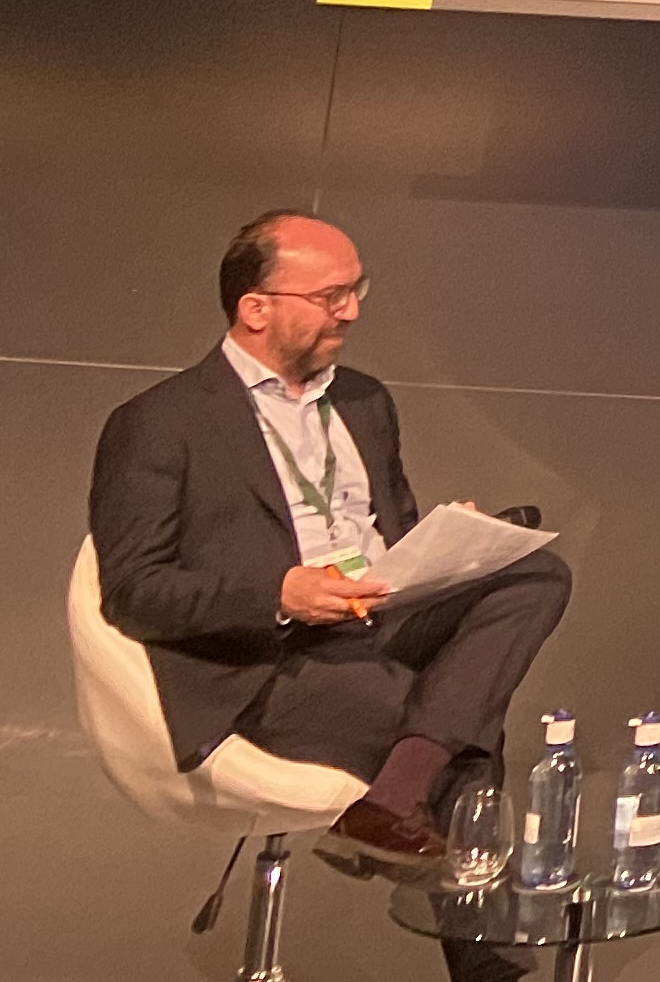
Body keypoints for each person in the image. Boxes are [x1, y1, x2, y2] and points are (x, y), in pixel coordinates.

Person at [86, 210, 572, 982]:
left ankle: (391, 810)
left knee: (535, 574)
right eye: (333, 294)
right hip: (263, 654)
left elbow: (392, 531)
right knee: (456, 728)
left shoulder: (366, 402)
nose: (352, 310)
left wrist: (449, 543)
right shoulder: (158, 423)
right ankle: (487, 963)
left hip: (373, 616)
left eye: (357, 290)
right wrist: (279, 593)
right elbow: (135, 592)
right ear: (256, 307)